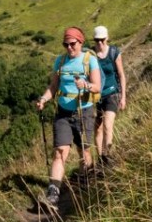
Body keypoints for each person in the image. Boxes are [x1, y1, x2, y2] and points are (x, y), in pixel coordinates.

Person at [34, 26, 102, 210]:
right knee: (59, 152)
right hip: (63, 113)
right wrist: (44, 99)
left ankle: (85, 184)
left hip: (83, 111)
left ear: (80, 42)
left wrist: (85, 85)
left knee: (85, 152)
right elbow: (53, 86)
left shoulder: (90, 61)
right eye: (66, 44)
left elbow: (97, 87)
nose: (69, 48)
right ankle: (53, 194)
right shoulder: (60, 61)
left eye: (72, 44)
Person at [90, 24, 126, 168]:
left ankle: (106, 156)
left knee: (107, 125)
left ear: (107, 38)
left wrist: (123, 97)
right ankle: (100, 158)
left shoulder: (114, 52)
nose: (99, 43)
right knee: (97, 128)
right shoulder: (91, 55)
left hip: (112, 93)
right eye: (97, 40)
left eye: (102, 40)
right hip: (97, 96)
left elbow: (121, 75)